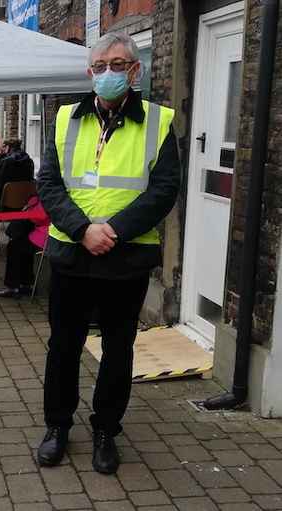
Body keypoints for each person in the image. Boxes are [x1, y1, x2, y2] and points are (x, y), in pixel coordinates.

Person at [36, 32, 181, 475]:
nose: (108, 73)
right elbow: (49, 183)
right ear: (90, 72)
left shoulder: (157, 121)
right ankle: (57, 427)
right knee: (63, 346)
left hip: (125, 258)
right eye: (101, 66)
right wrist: (82, 231)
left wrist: (112, 231)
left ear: (135, 72)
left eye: (118, 65)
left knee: (118, 350)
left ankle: (105, 431)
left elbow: (164, 189)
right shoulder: (65, 118)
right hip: (72, 255)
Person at [0, 194, 49, 298]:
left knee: (15, 246)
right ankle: (26, 283)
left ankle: (13, 286)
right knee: (22, 244)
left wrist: (29, 207)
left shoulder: (51, 195)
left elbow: (38, 217)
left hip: (47, 235)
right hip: (48, 233)